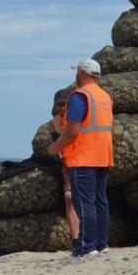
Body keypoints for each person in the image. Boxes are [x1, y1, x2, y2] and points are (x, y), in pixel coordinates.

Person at [47, 59, 114, 258]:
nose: (75, 75)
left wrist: (55, 146)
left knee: (84, 203)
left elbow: (72, 131)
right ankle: (101, 245)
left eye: (77, 71)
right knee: (100, 201)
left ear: (83, 73)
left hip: (83, 156)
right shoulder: (104, 96)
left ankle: (86, 246)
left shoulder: (79, 96)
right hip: (103, 155)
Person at [49, 89, 80, 244]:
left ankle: (88, 240)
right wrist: (67, 180)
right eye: (58, 104)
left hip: (83, 162)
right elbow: (59, 155)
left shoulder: (79, 118)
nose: (61, 107)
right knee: (70, 201)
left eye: (64, 104)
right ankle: (76, 240)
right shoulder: (56, 123)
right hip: (68, 165)